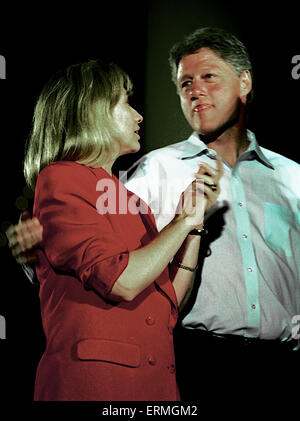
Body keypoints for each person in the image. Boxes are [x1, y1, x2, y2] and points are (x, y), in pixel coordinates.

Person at [7, 27, 300, 406]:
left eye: (209, 76)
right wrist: (34, 258)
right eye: (185, 82)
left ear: (244, 82)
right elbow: (102, 268)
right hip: (186, 365)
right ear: (93, 111)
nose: (195, 90)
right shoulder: (148, 171)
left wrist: (193, 222)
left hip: (258, 364)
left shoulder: (293, 176)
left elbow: (164, 298)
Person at [6, 59, 222, 401]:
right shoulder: (61, 178)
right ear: (91, 111)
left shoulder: (133, 202)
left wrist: (193, 224)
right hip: (95, 387)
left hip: (157, 391)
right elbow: (122, 281)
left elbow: (168, 306)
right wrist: (182, 221)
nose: (138, 116)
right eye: (125, 101)